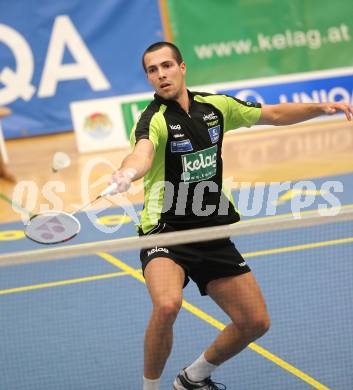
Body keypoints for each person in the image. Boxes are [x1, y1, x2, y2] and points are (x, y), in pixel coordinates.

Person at [110, 42, 353, 390]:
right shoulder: (154, 120)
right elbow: (142, 154)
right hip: (166, 231)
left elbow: (272, 115)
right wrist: (126, 173)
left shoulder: (216, 107)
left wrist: (319, 107)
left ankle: (193, 377)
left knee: (255, 321)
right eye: (152, 70)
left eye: (166, 65)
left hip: (209, 228)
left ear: (182, 67)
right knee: (167, 305)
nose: (160, 74)